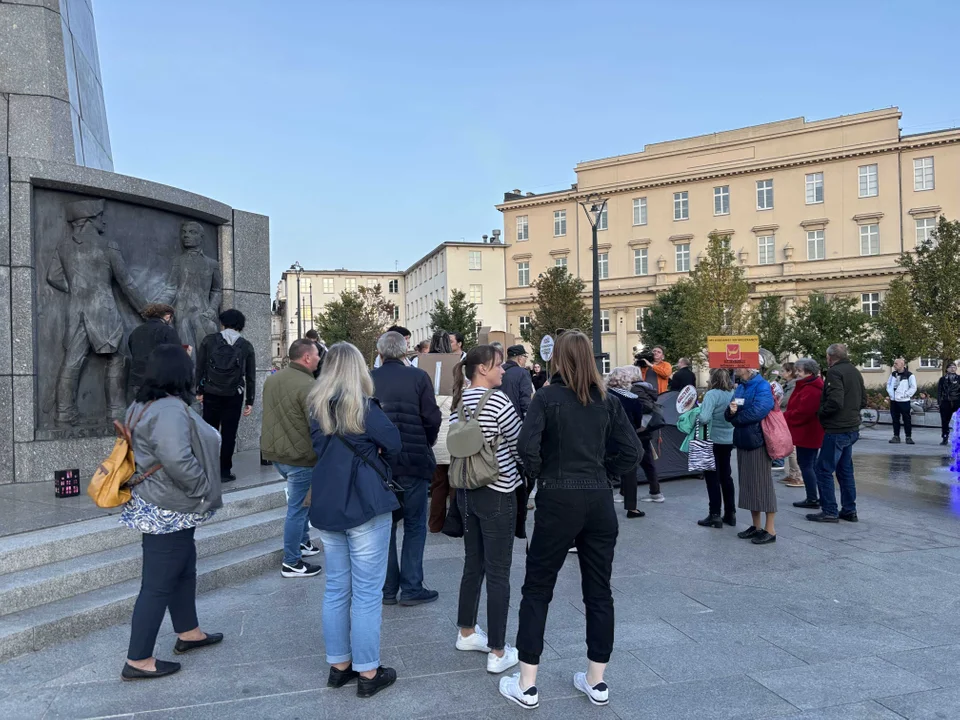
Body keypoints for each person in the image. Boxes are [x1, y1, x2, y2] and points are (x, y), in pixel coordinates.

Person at [502, 331, 641, 710]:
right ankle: (597, 680)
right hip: (597, 499)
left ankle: (528, 683)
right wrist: (605, 474)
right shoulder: (607, 400)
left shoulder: (546, 397)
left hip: (557, 496)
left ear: (557, 360)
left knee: (538, 587)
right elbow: (633, 449)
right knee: (599, 590)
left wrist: (541, 476)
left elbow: (525, 447)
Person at [120, 344, 223, 680]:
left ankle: (188, 631)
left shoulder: (141, 404)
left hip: (159, 500)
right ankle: (138, 659)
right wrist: (201, 488)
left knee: (182, 568)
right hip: (169, 504)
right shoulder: (169, 409)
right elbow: (177, 458)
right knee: (157, 584)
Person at [307, 342, 401, 698]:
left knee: (335, 589)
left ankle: (339, 665)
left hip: (329, 502)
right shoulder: (363, 406)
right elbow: (393, 443)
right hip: (364, 502)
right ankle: (368, 671)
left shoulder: (315, 407)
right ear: (356, 369)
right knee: (365, 593)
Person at [449, 345, 524, 675]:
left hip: (466, 492)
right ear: (482, 369)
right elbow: (519, 443)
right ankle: (497, 650)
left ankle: (466, 632)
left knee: (473, 564)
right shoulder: (498, 401)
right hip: (497, 490)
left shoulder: (458, 402)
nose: (503, 371)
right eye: (498, 365)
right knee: (498, 571)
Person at [48, 199, 148, 424]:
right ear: (90, 220)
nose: (103, 220)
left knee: (71, 362)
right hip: (104, 312)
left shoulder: (63, 246)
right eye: (99, 216)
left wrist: (76, 289)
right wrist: (146, 310)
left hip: (76, 312)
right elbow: (126, 283)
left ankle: (64, 412)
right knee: (118, 358)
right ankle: (116, 412)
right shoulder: (108, 245)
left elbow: (52, 276)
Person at [371, 331, 442, 606]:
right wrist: (427, 441)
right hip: (414, 460)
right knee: (414, 525)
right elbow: (431, 417)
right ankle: (412, 587)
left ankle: (387, 589)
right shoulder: (418, 378)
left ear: (380, 353)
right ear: (405, 352)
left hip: (380, 465)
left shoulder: (369, 379)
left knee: (385, 526)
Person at [261, 339, 323, 579]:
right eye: (317, 354)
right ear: (307, 357)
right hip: (300, 456)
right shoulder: (309, 385)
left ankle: (303, 543)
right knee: (297, 508)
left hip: (277, 453)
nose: (319, 358)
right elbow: (316, 425)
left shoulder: (273, 379)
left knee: (302, 502)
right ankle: (291, 562)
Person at [196, 309, 256, 482]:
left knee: (209, 432)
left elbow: (200, 368)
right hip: (234, 395)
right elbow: (251, 376)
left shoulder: (209, 341)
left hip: (211, 392)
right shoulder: (245, 345)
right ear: (240, 325)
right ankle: (224, 471)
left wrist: (199, 391)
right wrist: (249, 401)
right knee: (229, 433)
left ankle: (208, 469)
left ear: (222, 323)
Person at [808, 343, 865, 523]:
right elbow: (863, 399)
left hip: (837, 428)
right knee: (845, 470)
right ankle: (849, 510)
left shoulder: (834, 372)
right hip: (851, 427)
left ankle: (830, 510)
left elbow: (835, 401)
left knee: (823, 469)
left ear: (829, 357)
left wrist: (821, 412)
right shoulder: (854, 371)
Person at [725, 366, 777, 544]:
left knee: (762, 484)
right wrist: (730, 413)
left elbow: (760, 410)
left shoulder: (762, 385)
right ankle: (756, 526)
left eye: (737, 367)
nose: (734, 369)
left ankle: (770, 529)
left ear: (748, 368)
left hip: (758, 440)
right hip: (743, 439)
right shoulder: (741, 386)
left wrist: (735, 419)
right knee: (748, 483)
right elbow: (731, 408)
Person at [605, 366, 648, 519]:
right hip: (626, 440)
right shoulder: (633, 399)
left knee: (606, 472)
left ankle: (605, 506)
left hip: (606, 439)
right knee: (630, 473)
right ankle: (632, 508)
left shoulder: (604, 396)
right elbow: (637, 423)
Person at [425, 330, 457, 534]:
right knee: (454, 483)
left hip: (434, 435)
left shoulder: (421, 367)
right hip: (452, 432)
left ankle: (435, 524)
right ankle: (455, 523)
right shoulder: (457, 367)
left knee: (438, 483)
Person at [695, 369, 736, 528]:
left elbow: (704, 418)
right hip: (728, 438)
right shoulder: (732, 393)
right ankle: (730, 513)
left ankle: (714, 514)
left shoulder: (712, 394)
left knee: (712, 478)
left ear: (712, 379)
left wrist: (695, 415)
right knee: (726, 476)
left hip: (711, 439)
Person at [784, 358, 824, 510]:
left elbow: (803, 412)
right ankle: (813, 496)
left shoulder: (811, 388)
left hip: (808, 432)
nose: (797, 374)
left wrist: (785, 417)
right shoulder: (807, 385)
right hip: (806, 431)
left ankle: (813, 498)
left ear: (809, 372)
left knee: (807, 465)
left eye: (799, 371)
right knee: (809, 464)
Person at [128, 304, 180, 396]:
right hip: (161, 381)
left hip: (138, 380)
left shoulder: (136, 331)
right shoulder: (168, 331)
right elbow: (176, 356)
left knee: (143, 409)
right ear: (168, 316)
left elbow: (133, 352)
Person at [630, 375, 665, 504]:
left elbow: (646, 406)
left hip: (640, 429)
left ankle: (626, 494)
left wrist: (635, 413)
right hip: (645, 429)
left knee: (634, 462)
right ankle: (655, 492)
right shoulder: (645, 388)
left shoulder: (636, 389)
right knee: (647, 462)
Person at [777, 363, 804, 487]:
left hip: (789, 417)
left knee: (792, 448)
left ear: (789, 372)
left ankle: (798, 476)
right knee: (789, 447)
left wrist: (777, 398)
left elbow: (786, 401)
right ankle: (793, 474)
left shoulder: (793, 385)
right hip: (785, 417)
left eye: (783, 371)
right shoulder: (788, 385)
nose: (781, 373)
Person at [887, 358, 917, 445]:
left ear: (902, 364)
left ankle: (908, 436)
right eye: (894, 363)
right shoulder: (893, 374)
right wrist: (891, 394)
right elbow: (889, 384)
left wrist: (906, 395)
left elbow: (913, 387)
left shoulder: (909, 375)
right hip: (894, 400)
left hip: (904, 401)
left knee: (906, 419)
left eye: (896, 363)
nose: (894, 365)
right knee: (895, 419)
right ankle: (896, 436)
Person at [500, 345, 534, 419]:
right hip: (516, 418)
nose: (526, 359)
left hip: (498, 417)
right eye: (525, 356)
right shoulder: (523, 373)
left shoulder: (498, 371)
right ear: (520, 358)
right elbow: (525, 399)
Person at [937, 362, 960, 445]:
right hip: (945, 401)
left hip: (956, 401)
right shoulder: (942, 379)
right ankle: (945, 437)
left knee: (958, 421)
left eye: (954, 367)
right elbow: (939, 391)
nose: (953, 368)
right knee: (945, 421)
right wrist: (939, 402)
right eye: (951, 367)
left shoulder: (959, 378)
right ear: (947, 369)